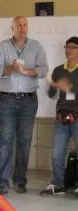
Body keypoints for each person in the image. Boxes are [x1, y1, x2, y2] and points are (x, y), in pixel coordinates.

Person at [0, 16, 48, 194]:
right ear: (13, 28)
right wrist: (11, 69)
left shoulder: (36, 46)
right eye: (19, 25)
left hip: (28, 100)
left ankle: (20, 180)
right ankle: (2, 182)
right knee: (5, 141)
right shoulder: (3, 46)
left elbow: (44, 69)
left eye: (25, 25)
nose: (23, 28)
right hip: (7, 99)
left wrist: (27, 71)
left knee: (24, 141)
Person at [41, 37, 78, 195]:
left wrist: (70, 88)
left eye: (73, 47)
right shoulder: (58, 70)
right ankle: (58, 184)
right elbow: (51, 94)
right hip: (61, 117)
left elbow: (71, 92)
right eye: (67, 46)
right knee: (57, 153)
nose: (69, 49)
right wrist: (53, 86)